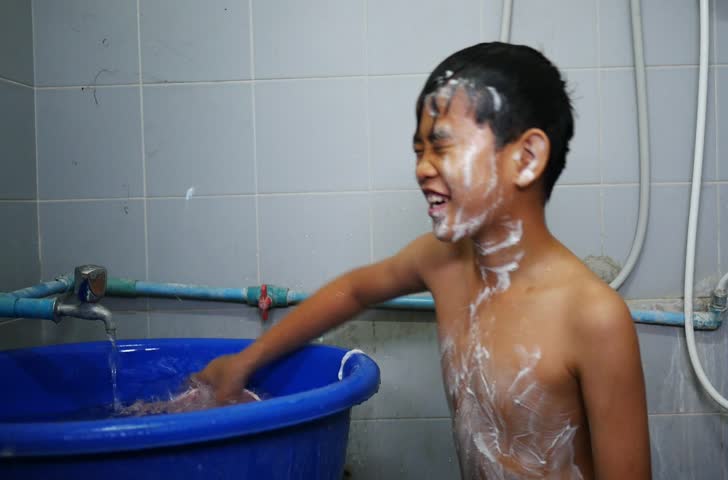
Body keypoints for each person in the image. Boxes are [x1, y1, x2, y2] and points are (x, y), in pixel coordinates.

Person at [196, 42, 650, 479]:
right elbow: (353, 290)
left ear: (526, 158)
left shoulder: (592, 317)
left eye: (442, 146)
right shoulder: (444, 262)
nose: (422, 168)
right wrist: (245, 362)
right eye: (419, 150)